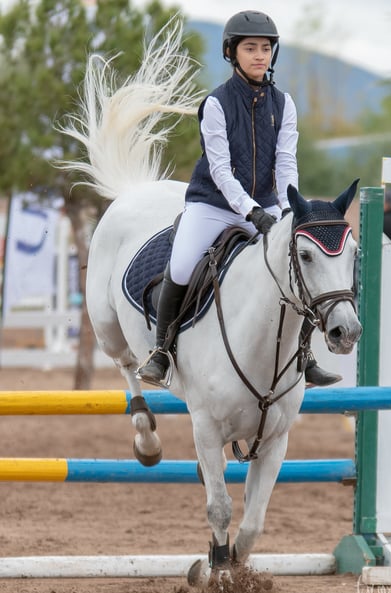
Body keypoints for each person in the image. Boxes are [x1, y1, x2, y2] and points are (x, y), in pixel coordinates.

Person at [139, 10, 341, 387]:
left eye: (266, 48)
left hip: (264, 205)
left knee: (295, 264)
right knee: (182, 266)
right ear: (232, 52)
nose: (260, 55)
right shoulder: (216, 104)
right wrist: (250, 210)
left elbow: (285, 163)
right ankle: (162, 352)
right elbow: (220, 169)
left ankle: (305, 354)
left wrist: (286, 208)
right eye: (251, 48)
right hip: (212, 205)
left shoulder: (285, 104)